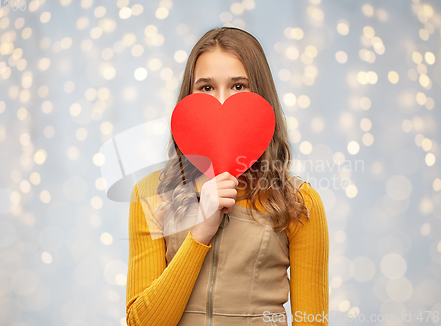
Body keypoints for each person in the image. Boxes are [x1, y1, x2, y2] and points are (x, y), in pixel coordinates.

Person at [126, 26, 329, 326]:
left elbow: (311, 321)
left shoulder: (299, 201)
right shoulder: (150, 194)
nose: (222, 102)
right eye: (206, 87)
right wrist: (200, 233)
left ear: (260, 95)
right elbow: (142, 323)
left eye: (238, 86)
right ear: (189, 98)